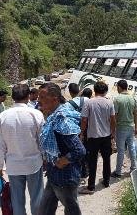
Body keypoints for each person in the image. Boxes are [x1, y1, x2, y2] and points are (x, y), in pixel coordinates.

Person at [0, 84, 44, 215]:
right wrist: (45, 158)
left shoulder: (3, 117)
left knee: (17, 200)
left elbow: (0, 144)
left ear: (12, 97)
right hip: (33, 163)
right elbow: (42, 141)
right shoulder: (36, 114)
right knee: (37, 197)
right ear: (28, 97)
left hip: (13, 165)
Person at [38, 83, 85, 215]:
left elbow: (79, 150)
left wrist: (64, 160)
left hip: (65, 177)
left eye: (42, 96)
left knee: (72, 211)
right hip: (54, 175)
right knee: (45, 211)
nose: (39, 99)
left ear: (55, 99)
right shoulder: (53, 116)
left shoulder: (62, 119)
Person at [79, 81, 116, 194]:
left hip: (93, 136)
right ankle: (106, 181)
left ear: (94, 90)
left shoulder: (89, 103)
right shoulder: (109, 103)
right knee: (106, 159)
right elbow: (113, 120)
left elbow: (84, 120)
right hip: (106, 136)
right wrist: (112, 134)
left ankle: (91, 187)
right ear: (105, 91)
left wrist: (82, 133)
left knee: (92, 161)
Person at [111, 80, 137, 178]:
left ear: (119, 87)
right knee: (131, 147)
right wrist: (136, 127)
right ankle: (133, 168)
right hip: (131, 127)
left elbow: (115, 116)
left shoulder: (117, 99)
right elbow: (135, 114)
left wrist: (112, 130)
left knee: (121, 150)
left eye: (117, 87)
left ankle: (118, 172)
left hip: (121, 128)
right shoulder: (133, 99)